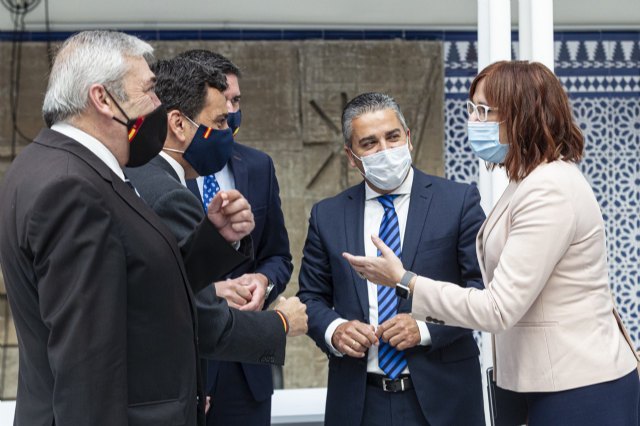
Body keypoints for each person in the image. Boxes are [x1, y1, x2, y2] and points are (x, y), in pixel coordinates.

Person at [343, 62, 640, 425]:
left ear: (522, 116)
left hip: (578, 385)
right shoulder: (527, 182)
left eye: (483, 111)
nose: (473, 120)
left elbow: (499, 307)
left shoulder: (549, 190)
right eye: (471, 109)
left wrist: (405, 281)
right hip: (541, 382)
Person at [0, 30, 253, 426]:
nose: (158, 104)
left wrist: (211, 240)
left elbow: (136, 290)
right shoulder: (71, 187)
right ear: (103, 99)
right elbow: (87, 361)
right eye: (150, 90)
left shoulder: (55, 163)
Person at [297, 92, 486, 426]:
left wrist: (426, 328)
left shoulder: (458, 202)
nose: (385, 150)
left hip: (445, 399)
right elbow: (311, 298)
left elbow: (482, 290)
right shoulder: (327, 215)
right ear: (351, 156)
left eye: (392, 136)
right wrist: (335, 330)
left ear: (408, 138)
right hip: (359, 402)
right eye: (369, 143)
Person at [125, 57, 306, 371]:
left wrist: (223, 242)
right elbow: (197, 313)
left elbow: (162, 284)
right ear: (179, 124)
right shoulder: (169, 195)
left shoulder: (136, 173)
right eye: (220, 121)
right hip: (189, 363)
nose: (229, 128)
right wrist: (282, 322)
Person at [176, 49, 293, 426]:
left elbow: (279, 256)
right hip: (188, 363)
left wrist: (263, 281)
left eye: (236, 100)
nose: (231, 109)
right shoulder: (158, 175)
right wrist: (212, 291)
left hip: (247, 373)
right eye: (223, 101)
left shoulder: (258, 166)